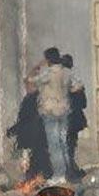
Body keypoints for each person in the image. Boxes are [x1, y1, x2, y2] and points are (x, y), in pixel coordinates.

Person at [28, 47, 83, 184]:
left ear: (48, 59)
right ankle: (67, 173)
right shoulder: (67, 72)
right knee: (63, 142)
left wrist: (37, 67)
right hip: (64, 110)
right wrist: (67, 93)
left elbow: (30, 80)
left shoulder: (48, 73)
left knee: (54, 144)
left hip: (50, 111)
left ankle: (59, 175)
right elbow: (78, 85)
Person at [61, 54, 87, 181]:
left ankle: (69, 170)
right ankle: (70, 171)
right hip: (72, 119)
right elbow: (83, 103)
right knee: (70, 146)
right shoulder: (73, 78)